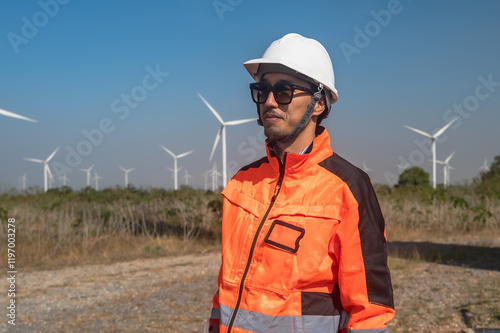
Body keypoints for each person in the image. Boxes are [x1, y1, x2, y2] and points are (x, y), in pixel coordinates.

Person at [203, 33, 395, 333]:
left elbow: (369, 314)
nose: (268, 101)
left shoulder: (349, 188)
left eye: (283, 92)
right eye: (262, 90)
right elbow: (227, 289)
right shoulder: (241, 183)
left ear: (319, 104)